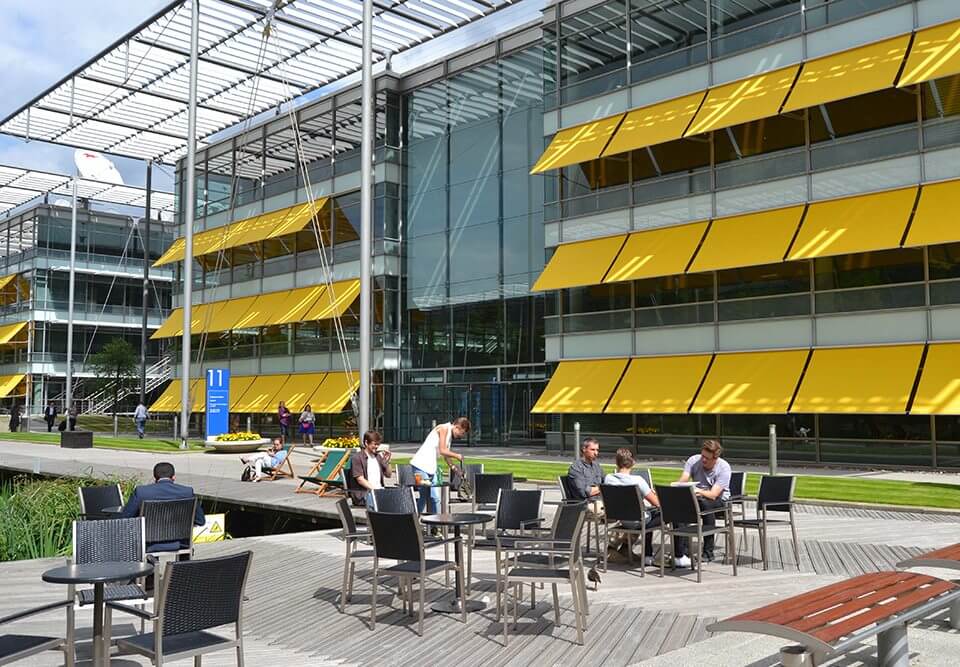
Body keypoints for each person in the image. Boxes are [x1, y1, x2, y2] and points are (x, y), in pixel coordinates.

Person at [120, 462, 205, 552]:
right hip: (180, 542)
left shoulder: (141, 492)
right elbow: (200, 521)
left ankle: (151, 565)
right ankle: (182, 565)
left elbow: (126, 519)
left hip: (148, 543)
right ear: (173, 477)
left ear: (155, 477)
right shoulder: (187, 492)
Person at [673, 439, 731, 567]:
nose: (703, 460)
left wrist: (698, 490)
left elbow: (714, 494)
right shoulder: (694, 460)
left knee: (706, 504)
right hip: (697, 498)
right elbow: (684, 478)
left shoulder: (724, 467)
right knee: (679, 506)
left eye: (707, 458)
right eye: (702, 456)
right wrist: (676, 486)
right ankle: (682, 553)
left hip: (720, 501)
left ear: (715, 459)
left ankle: (708, 552)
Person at [603, 448, 661, 565]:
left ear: (616, 462)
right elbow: (657, 503)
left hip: (622, 519)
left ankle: (633, 551)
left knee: (648, 514)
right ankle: (677, 555)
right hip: (639, 521)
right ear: (633, 462)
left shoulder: (608, 478)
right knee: (661, 513)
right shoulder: (638, 481)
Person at [409, 417, 469, 513]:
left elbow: (446, 456)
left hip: (431, 469)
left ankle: (431, 524)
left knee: (430, 497)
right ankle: (423, 521)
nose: (460, 436)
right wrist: (457, 455)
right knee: (430, 497)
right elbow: (443, 450)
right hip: (419, 467)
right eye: (462, 433)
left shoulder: (449, 436)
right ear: (457, 427)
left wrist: (456, 470)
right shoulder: (444, 429)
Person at [349, 430, 392, 506]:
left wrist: (387, 462)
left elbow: (388, 475)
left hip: (379, 492)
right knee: (391, 504)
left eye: (378, 444)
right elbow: (360, 480)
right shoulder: (357, 458)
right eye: (375, 444)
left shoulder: (378, 457)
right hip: (364, 494)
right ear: (366, 443)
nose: (377, 446)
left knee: (399, 499)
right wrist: (375, 490)